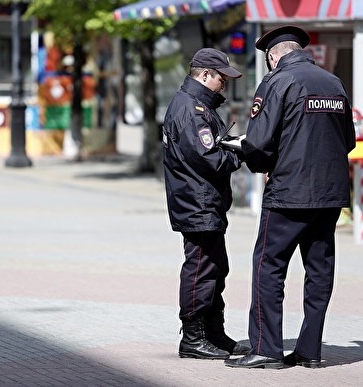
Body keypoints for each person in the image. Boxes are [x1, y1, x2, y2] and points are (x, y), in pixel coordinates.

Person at [224, 25, 356, 369]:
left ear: (272, 56)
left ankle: (266, 349)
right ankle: (310, 351)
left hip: (289, 193)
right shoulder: (334, 83)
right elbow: (349, 141)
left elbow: (259, 141)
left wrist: (254, 159)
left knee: (268, 267)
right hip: (330, 196)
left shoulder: (277, 81)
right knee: (319, 271)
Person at [162, 48, 250, 360]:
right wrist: (239, 152)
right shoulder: (192, 109)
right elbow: (209, 158)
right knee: (201, 269)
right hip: (197, 203)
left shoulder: (197, 106)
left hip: (203, 201)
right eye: (221, 77)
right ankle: (193, 339)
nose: (224, 83)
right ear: (204, 75)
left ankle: (213, 333)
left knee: (215, 268)